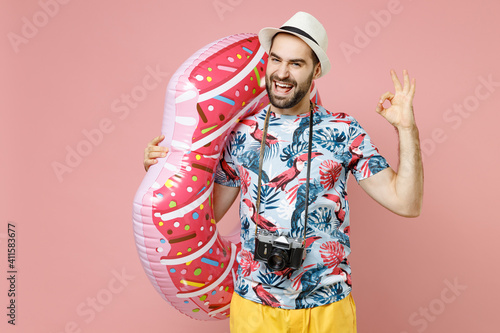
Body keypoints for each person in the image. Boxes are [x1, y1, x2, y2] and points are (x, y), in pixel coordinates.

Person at [143, 11, 423, 333]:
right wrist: (164, 171)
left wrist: (407, 129)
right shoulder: (242, 134)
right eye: (276, 60)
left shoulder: (344, 131)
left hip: (328, 307)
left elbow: (407, 203)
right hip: (254, 308)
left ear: (316, 70)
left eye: (296, 63)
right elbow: (207, 215)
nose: (282, 72)